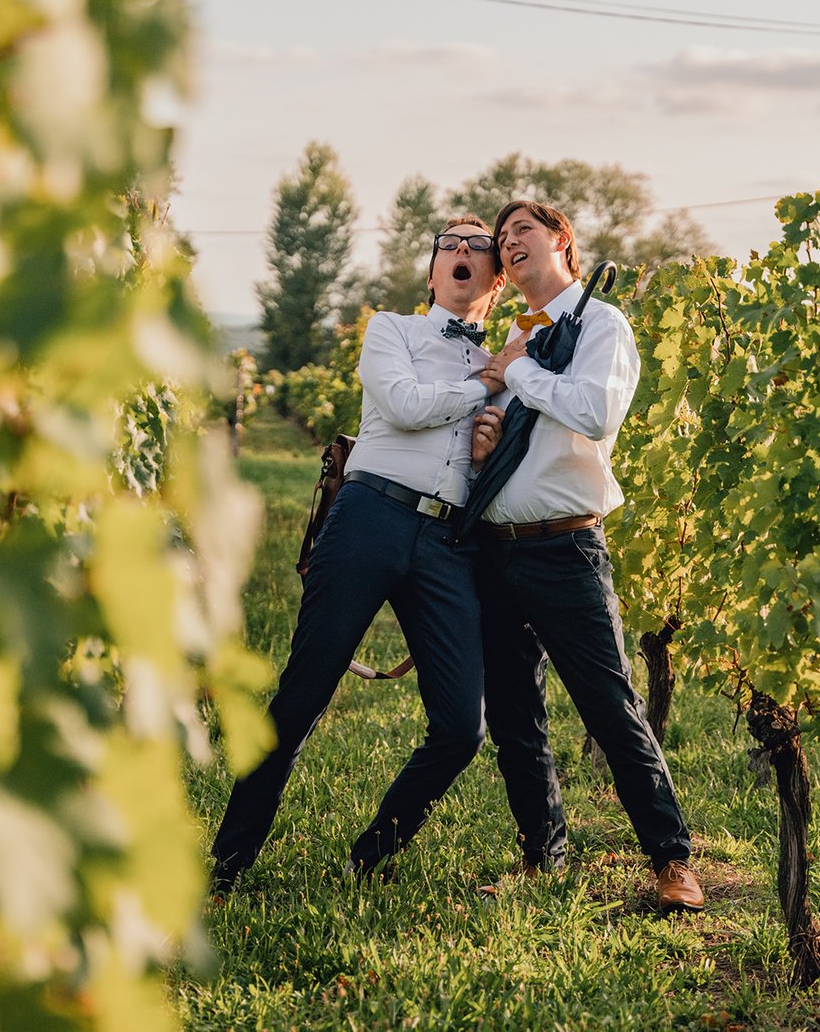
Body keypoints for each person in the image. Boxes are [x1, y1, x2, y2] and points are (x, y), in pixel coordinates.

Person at [210, 216, 507, 891]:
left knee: (462, 727)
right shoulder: (391, 331)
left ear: (495, 280)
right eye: (450, 246)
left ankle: (370, 855)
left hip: (447, 541)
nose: (463, 251)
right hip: (370, 515)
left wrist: (486, 447)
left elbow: (494, 462)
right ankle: (228, 863)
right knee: (302, 696)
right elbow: (402, 406)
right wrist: (483, 386)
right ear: (433, 273)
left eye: (478, 247)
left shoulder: (507, 365)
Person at [470, 199, 704, 914]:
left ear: (562, 241)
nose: (509, 242)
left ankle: (671, 858)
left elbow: (597, 413)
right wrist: (486, 434)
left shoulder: (601, 324)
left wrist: (519, 374)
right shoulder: (516, 335)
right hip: (497, 550)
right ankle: (542, 857)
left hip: (565, 546)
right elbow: (512, 431)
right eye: (503, 236)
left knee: (609, 707)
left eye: (524, 230)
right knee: (515, 719)